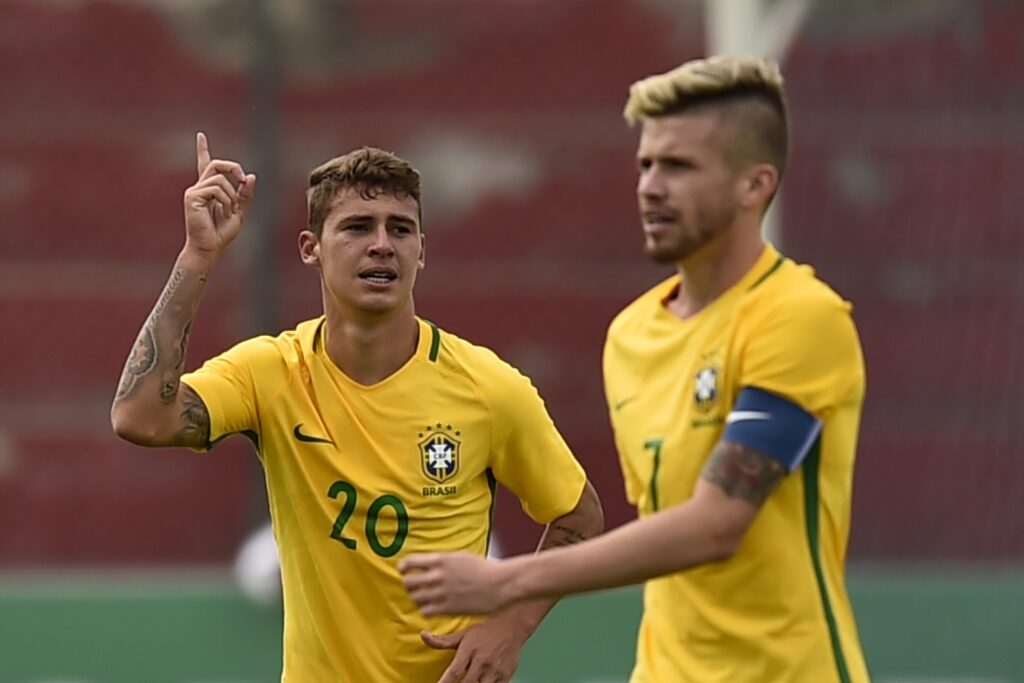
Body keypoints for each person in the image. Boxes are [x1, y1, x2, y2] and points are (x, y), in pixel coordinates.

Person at [399, 55, 871, 683]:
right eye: (645, 164)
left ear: (755, 185)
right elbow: (663, 533)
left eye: (678, 166)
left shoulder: (801, 318)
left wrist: (507, 581)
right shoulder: (630, 336)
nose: (650, 185)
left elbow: (715, 526)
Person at [110, 134, 604, 682]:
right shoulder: (271, 372)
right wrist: (198, 255)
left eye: (400, 228)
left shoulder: (488, 387)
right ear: (310, 248)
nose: (382, 245)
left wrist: (509, 628)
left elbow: (578, 517)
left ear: (423, 249)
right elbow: (139, 416)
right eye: (357, 226)